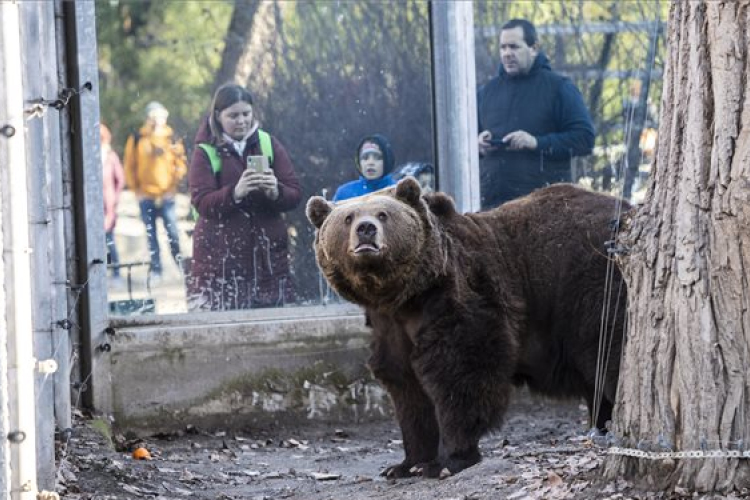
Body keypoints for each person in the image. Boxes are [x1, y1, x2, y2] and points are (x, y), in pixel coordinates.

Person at [187, 83, 302, 311]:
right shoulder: (205, 151)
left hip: (269, 260)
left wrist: (275, 191)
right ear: (218, 116)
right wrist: (235, 193)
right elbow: (201, 202)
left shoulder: (268, 143)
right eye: (233, 116)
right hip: (220, 261)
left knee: (273, 326)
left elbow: (295, 194)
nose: (241, 121)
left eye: (246, 114)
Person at [477, 19, 595, 209]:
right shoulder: (486, 92)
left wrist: (536, 142)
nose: (507, 54)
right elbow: (466, 146)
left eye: (514, 47)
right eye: (503, 47)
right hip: (493, 211)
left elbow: (585, 139)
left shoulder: (559, 88)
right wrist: (479, 145)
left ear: (534, 48)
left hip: (544, 212)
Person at [123, 101, 187, 280]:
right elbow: (129, 165)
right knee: (151, 235)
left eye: (161, 116)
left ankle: (181, 267)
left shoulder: (172, 138)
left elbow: (180, 163)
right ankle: (157, 270)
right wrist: (136, 190)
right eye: (154, 116)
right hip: (146, 195)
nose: (157, 120)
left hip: (167, 195)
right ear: (148, 118)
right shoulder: (138, 138)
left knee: (173, 233)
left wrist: (174, 185)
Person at [332, 134, 397, 202]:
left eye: (377, 157)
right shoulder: (344, 194)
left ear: (387, 161)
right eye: (365, 158)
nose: (370, 162)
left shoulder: (398, 192)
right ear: (359, 163)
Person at [101, 123, 125, 281]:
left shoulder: (110, 156)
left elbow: (120, 179)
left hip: (107, 204)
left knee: (109, 239)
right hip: (94, 205)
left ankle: (115, 272)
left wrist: (114, 198)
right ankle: (102, 272)